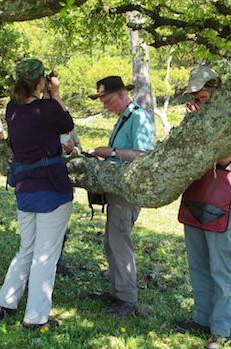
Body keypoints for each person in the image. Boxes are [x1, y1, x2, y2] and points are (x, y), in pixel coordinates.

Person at [0, 58, 74, 331]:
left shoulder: (11, 109)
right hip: (51, 189)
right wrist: (56, 93)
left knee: (27, 248)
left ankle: (5, 302)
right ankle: (36, 318)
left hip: (25, 188)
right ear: (41, 81)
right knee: (45, 256)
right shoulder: (48, 108)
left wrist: (46, 94)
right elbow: (67, 124)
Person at [174, 65, 231, 349]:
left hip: (222, 198)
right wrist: (192, 124)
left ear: (215, 90)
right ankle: (202, 318)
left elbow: (223, 156)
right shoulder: (198, 118)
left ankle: (221, 329)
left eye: (202, 95)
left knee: (221, 268)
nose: (198, 100)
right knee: (198, 265)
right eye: (196, 96)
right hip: (196, 195)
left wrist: (201, 123)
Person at [88, 76, 155, 316]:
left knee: (120, 241)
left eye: (105, 99)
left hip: (128, 191)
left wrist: (112, 152)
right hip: (117, 189)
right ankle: (117, 291)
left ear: (120, 94)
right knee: (112, 240)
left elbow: (145, 154)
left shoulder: (139, 117)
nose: (104, 105)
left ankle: (127, 298)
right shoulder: (124, 118)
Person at [56, 126, 82, 276]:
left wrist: (73, 150)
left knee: (62, 226)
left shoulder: (68, 125)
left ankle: (58, 260)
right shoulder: (36, 121)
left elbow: (78, 148)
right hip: (42, 183)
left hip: (64, 182)